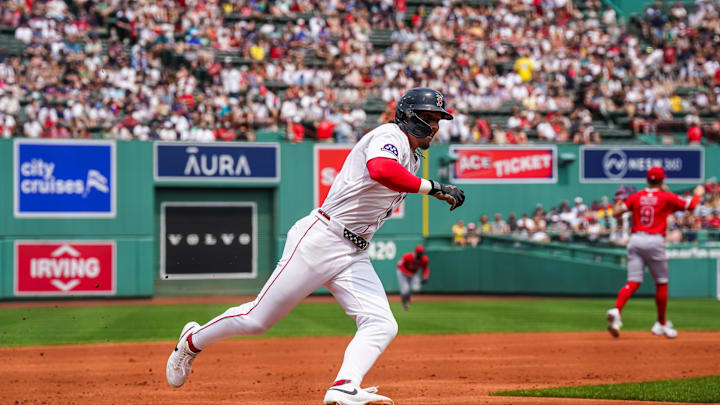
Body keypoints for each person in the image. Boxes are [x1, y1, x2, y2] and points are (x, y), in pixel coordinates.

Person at [165, 88, 465, 405]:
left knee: (381, 323)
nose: (434, 126)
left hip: (354, 252)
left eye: (438, 120)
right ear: (408, 115)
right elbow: (380, 169)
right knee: (256, 320)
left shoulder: (413, 156)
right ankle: (191, 341)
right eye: (428, 117)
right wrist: (434, 188)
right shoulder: (388, 135)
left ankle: (344, 386)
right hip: (322, 238)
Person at [606, 167, 704, 339]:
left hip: (635, 240)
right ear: (661, 181)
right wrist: (698, 193)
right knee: (661, 283)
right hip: (654, 240)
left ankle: (616, 310)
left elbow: (615, 214)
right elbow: (692, 206)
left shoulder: (635, 197)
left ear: (646, 180)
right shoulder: (666, 197)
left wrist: (621, 202)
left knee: (633, 282)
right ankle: (661, 322)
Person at [396, 245, 430, 311]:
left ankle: (408, 296)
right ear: (415, 252)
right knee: (405, 290)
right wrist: (407, 273)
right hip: (402, 273)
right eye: (419, 253)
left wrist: (426, 276)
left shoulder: (424, 259)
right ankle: (404, 304)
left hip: (413, 274)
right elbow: (399, 266)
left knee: (416, 288)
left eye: (421, 253)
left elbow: (425, 268)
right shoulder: (407, 256)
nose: (420, 255)